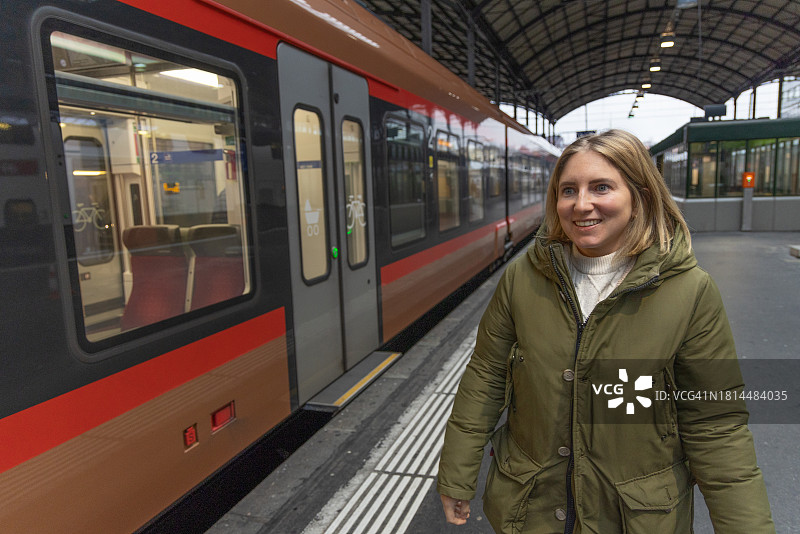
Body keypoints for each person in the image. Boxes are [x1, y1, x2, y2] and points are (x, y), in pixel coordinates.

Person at [437, 129, 774, 534]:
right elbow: (485, 377)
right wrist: (457, 475)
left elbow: (715, 423)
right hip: (531, 510)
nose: (582, 205)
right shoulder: (524, 279)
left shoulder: (689, 291)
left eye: (601, 187)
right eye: (568, 190)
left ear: (640, 195)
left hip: (635, 518)